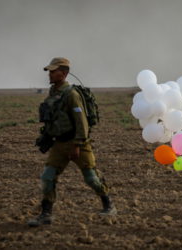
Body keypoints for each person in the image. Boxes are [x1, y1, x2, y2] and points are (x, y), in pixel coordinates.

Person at [28, 57, 117, 227]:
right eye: (50, 71)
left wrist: (77, 145)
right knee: (47, 177)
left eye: (53, 71)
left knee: (91, 179)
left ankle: (108, 204)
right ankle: (46, 214)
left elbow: (81, 122)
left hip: (78, 144)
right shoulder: (54, 92)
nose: (50, 74)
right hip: (59, 144)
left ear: (63, 73)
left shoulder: (72, 94)